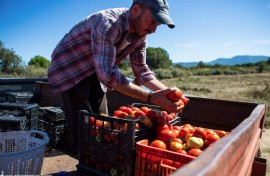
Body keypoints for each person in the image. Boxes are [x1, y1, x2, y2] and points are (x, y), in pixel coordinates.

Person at [48, 0, 184, 150]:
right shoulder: (108, 23)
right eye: (152, 22)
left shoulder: (140, 35)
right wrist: (150, 98)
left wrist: (168, 93)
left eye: (157, 25)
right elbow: (107, 74)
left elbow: (141, 70)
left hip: (95, 71)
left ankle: (101, 159)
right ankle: (88, 161)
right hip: (69, 71)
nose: (153, 30)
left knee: (104, 125)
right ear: (136, 10)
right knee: (85, 129)